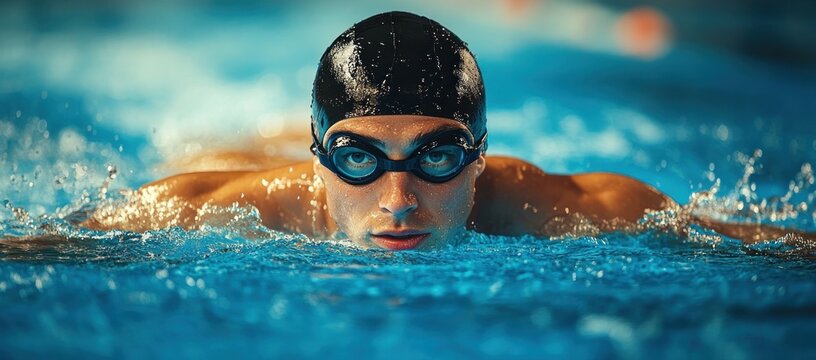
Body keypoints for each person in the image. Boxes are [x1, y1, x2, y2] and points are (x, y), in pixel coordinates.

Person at [83, 11, 809, 250]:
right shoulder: (222, 211)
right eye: (358, 160)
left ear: (480, 157)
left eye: (436, 155)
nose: (399, 200)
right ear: (317, 161)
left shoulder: (557, 208)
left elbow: (746, 243)